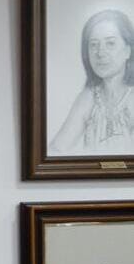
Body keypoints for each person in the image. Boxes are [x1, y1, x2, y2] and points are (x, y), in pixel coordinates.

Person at [50, 9, 134, 156]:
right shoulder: (89, 97)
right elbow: (56, 150)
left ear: (128, 50)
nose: (100, 53)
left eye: (110, 43)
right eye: (94, 45)